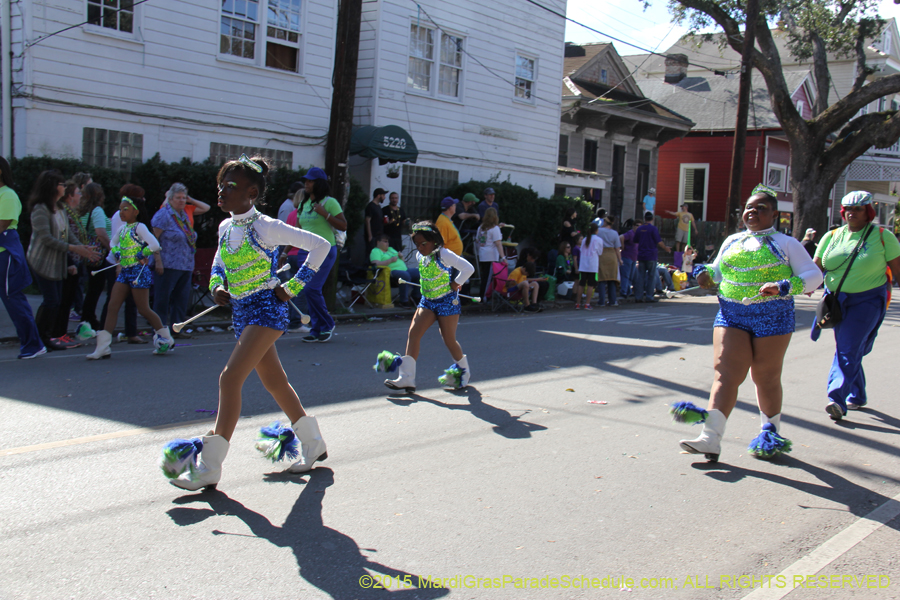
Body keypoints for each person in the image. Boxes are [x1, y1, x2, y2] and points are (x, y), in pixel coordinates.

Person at [160, 154, 333, 491]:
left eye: (231, 186)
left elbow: (321, 246)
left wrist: (293, 287)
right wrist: (217, 286)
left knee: (230, 378)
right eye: (221, 185)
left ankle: (209, 466)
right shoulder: (226, 226)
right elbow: (218, 263)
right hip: (241, 312)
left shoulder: (266, 225)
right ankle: (314, 443)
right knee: (275, 382)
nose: (222, 191)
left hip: (266, 310)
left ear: (251, 193)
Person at [675, 185, 823, 462]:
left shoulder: (787, 243)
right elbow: (717, 269)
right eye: (749, 208)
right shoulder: (732, 241)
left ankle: (770, 433)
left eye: (761, 208)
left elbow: (814, 276)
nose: (752, 212)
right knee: (725, 373)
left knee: (764, 377)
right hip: (731, 314)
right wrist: (705, 274)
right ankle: (710, 437)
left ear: (774, 214)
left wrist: (782, 286)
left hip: (774, 316)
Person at [812, 191, 900, 421]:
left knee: (848, 347)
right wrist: (798, 286)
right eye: (847, 209)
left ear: (868, 211)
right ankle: (858, 394)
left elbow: (898, 270)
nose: (851, 213)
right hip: (836, 301)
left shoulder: (882, 236)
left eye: (858, 209)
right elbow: (815, 268)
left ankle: (837, 399)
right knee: (848, 347)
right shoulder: (831, 236)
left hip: (869, 301)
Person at [383, 221, 474, 394]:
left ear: (433, 240)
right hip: (428, 301)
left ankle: (464, 373)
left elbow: (468, 268)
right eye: (416, 244)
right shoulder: (421, 256)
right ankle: (406, 378)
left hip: (447, 301)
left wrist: (456, 283)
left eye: (423, 243)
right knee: (413, 333)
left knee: (448, 339)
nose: (419, 247)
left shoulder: (444, 254)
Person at [86, 195, 172, 360]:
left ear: (136, 212)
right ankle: (103, 347)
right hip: (125, 272)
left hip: (138, 271)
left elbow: (155, 244)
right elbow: (112, 243)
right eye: (120, 209)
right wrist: (117, 252)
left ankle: (165, 337)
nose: (121, 212)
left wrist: (142, 253)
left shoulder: (139, 227)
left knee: (143, 309)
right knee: (112, 306)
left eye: (126, 209)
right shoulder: (122, 229)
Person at [25, 170, 99, 351]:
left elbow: (68, 234)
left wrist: (83, 248)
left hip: (56, 263)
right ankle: (40, 338)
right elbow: (46, 239)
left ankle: (43, 337)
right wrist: (75, 249)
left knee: (55, 301)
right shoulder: (40, 209)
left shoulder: (58, 208)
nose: (64, 188)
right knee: (52, 301)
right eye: (61, 185)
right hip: (42, 262)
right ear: (52, 187)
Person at [0, 157, 46, 358]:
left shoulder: (8, 195)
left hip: (5, 257)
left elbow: (1, 225)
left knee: (14, 301)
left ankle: (33, 345)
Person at [296, 167, 346, 343]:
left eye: (310, 181)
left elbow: (343, 225)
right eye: (306, 181)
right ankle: (316, 329)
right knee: (307, 290)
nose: (306, 184)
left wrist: (325, 214)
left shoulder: (329, 202)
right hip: (305, 251)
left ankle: (326, 324)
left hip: (325, 250)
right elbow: (297, 230)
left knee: (312, 288)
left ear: (319, 184)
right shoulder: (304, 203)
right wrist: (285, 252)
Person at [152, 183, 199, 338]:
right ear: (170, 199)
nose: (181, 201)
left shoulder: (183, 215)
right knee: (162, 298)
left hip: (185, 264)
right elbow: (153, 240)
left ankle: (177, 328)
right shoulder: (163, 215)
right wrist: (157, 260)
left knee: (181, 298)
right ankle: (160, 330)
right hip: (167, 264)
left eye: (184, 198)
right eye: (178, 198)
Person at [50, 180, 90, 346]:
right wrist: (69, 262)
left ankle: (62, 333)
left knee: (67, 299)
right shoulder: (64, 211)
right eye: (78, 193)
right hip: (70, 260)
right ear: (70, 197)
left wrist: (83, 249)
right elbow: (62, 237)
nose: (80, 196)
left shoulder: (69, 212)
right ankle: (57, 333)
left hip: (76, 258)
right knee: (63, 299)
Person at [77, 183, 111, 332]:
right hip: (98, 253)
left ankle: (87, 316)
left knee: (91, 287)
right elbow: (101, 233)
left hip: (85, 250)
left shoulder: (81, 210)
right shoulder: (97, 211)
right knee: (95, 288)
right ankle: (89, 317)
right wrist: (111, 249)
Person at [370, 234, 419, 307]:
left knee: (420, 273)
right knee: (405, 276)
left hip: (404, 269)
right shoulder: (376, 251)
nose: (387, 243)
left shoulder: (391, 249)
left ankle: (416, 297)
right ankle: (403, 301)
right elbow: (376, 264)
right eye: (385, 242)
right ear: (378, 242)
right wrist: (390, 260)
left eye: (388, 242)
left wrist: (401, 256)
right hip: (391, 272)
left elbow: (402, 260)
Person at [633, 212, 670, 303]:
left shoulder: (640, 229)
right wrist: (666, 248)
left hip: (641, 255)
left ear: (644, 218)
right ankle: (649, 297)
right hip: (651, 255)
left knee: (640, 277)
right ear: (652, 219)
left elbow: (635, 240)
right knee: (651, 277)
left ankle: (638, 297)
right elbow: (659, 242)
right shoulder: (653, 229)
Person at [475, 207, 503, 297]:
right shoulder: (495, 229)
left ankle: (483, 295)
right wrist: (503, 257)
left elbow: (477, 240)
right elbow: (498, 243)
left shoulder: (481, 228)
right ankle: (484, 297)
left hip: (482, 254)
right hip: (491, 256)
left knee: (484, 277)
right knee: (488, 279)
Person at [595, 215, 622, 307]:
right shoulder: (614, 233)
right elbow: (617, 248)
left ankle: (601, 301)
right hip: (612, 255)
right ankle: (612, 301)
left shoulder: (599, 231)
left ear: (605, 222)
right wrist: (620, 259)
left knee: (602, 279)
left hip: (601, 255)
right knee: (612, 279)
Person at [576, 222, 604, 310]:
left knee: (581, 284)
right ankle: (587, 304)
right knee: (591, 285)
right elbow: (600, 252)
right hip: (592, 266)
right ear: (596, 230)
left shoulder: (584, 239)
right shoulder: (598, 240)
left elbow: (581, 250)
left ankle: (577, 303)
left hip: (583, 265)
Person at [619, 219, 638, 299]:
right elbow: (621, 237)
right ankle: (623, 292)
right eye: (637, 225)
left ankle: (628, 291)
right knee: (625, 275)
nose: (639, 227)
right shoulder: (630, 233)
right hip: (626, 257)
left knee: (630, 276)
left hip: (634, 258)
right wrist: (622, 246)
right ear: (633, 226)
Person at [365, 188, 386, 252]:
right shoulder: (371, 206)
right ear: (379, 195)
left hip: (379, 236)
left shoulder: (378, 207)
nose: (384, 197)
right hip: (373, 236)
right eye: (383, 195)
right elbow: (367, 220)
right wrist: (370, 236)